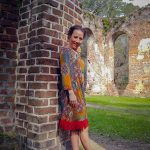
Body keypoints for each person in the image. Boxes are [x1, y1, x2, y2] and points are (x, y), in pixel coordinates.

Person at [59, 25, 91, 150]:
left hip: (80, 96)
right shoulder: (65, 52)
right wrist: (71, 92)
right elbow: (65, 71)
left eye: (80, 38)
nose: (77, 41)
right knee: (83, 128)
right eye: (75, 37)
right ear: (69, 36)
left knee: (75, 129)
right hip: (72, 96)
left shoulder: (78, 56)